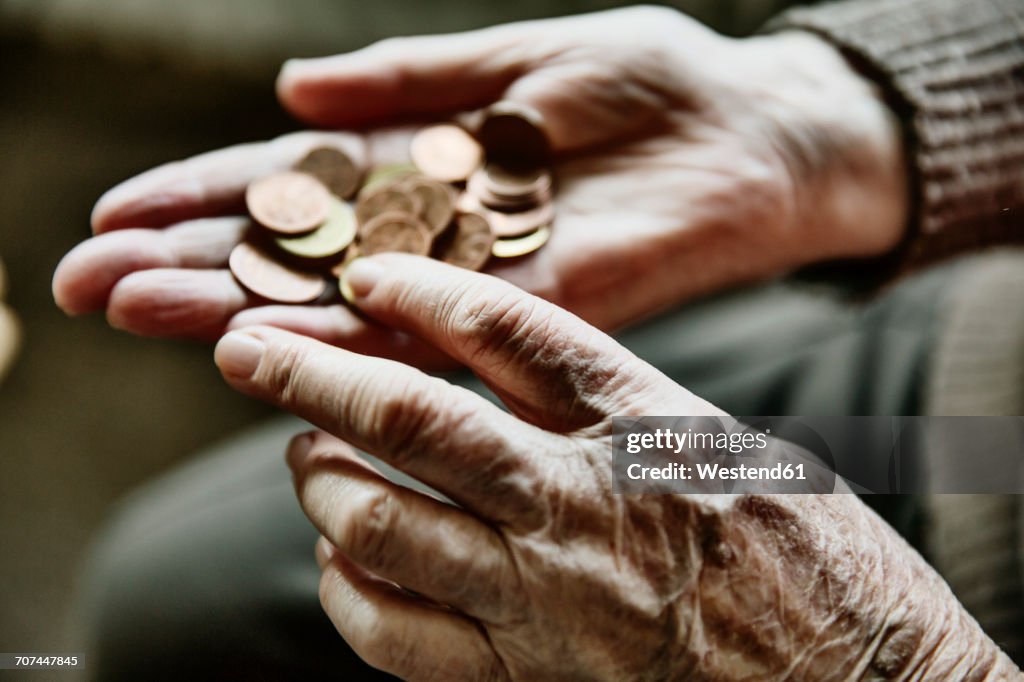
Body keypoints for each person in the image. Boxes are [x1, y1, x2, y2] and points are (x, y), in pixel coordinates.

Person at [52, 0, 1024, 679]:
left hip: (963, 612)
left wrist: (893, 665)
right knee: (177, 594)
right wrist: (851, 121)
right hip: (978, 427)